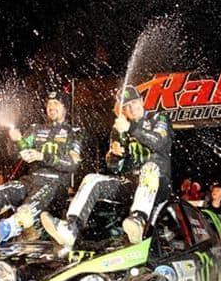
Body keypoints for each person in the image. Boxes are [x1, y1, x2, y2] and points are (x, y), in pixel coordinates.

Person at [0, 89, 82, 245]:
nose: (51, 107)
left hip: (56, 185)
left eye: (56, 103)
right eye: (49, 104)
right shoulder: (36, 129)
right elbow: (16, 154)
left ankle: (7, 228)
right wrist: (15, 140)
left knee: (33, 202)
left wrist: (42, 156)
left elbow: (73, 164)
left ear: (65, 107)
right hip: (31, 180)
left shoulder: (74, 132)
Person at [42, 85, 172, 247]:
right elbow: (114, 168)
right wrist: (114, 156)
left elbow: (158, 142)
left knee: (149, 168)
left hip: (159, 184)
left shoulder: (159, 118)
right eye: (125, 107)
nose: (130, 109)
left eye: (133, 104)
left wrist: (131, 128)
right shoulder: (119, 129)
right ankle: (71, 227)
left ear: (142, 101)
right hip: (131, 184)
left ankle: (138, 220)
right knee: (92, 178)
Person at [201, 182, 221, 251]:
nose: (214, 192)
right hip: (208, 241)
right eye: (213, 190)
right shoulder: (206, 207)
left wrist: (219, 239)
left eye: (217, 190)